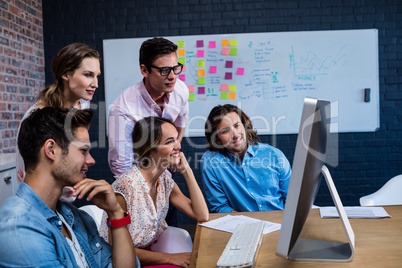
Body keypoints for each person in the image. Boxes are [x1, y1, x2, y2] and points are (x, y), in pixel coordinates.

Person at [0, 107, 139, 267]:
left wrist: (115, 213)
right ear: (51, 150)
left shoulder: (75, 217)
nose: (91, 160)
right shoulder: (19, 227)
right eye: (83, 151)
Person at [100, 117, 209, 268]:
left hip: (147, 254)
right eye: (170, 141)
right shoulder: (126, 187)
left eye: (177, 139)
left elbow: (201, 215)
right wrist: (171, 258)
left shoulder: (164, 180)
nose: (178, 146)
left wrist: (187, 171)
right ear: (150, 150)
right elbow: (116, 251)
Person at [16, 42, 101, 202]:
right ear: (66, 74)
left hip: (66, 191)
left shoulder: (83, 103)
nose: (95, 84)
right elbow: (27, 170)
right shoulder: (37, 116)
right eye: (88, 75)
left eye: (97, 76)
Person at [108, 37, 189, 179]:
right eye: (164, 70)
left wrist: (174, 148)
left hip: (164, 174)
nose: (172, 77)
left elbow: (181, 121)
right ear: (144, 70)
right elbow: (121, 167)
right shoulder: (122, 109)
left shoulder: (180, 90)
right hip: (136, 176)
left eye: (175, 69)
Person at [201, 104, 291, 213]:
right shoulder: (211, 162)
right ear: (217, 139)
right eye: (225, 131)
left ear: (244, 126)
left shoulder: (274, 155)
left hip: (280, 221)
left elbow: (293, 200)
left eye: (237, 125)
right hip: (244, 225)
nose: (235, 134)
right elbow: (219, 207)